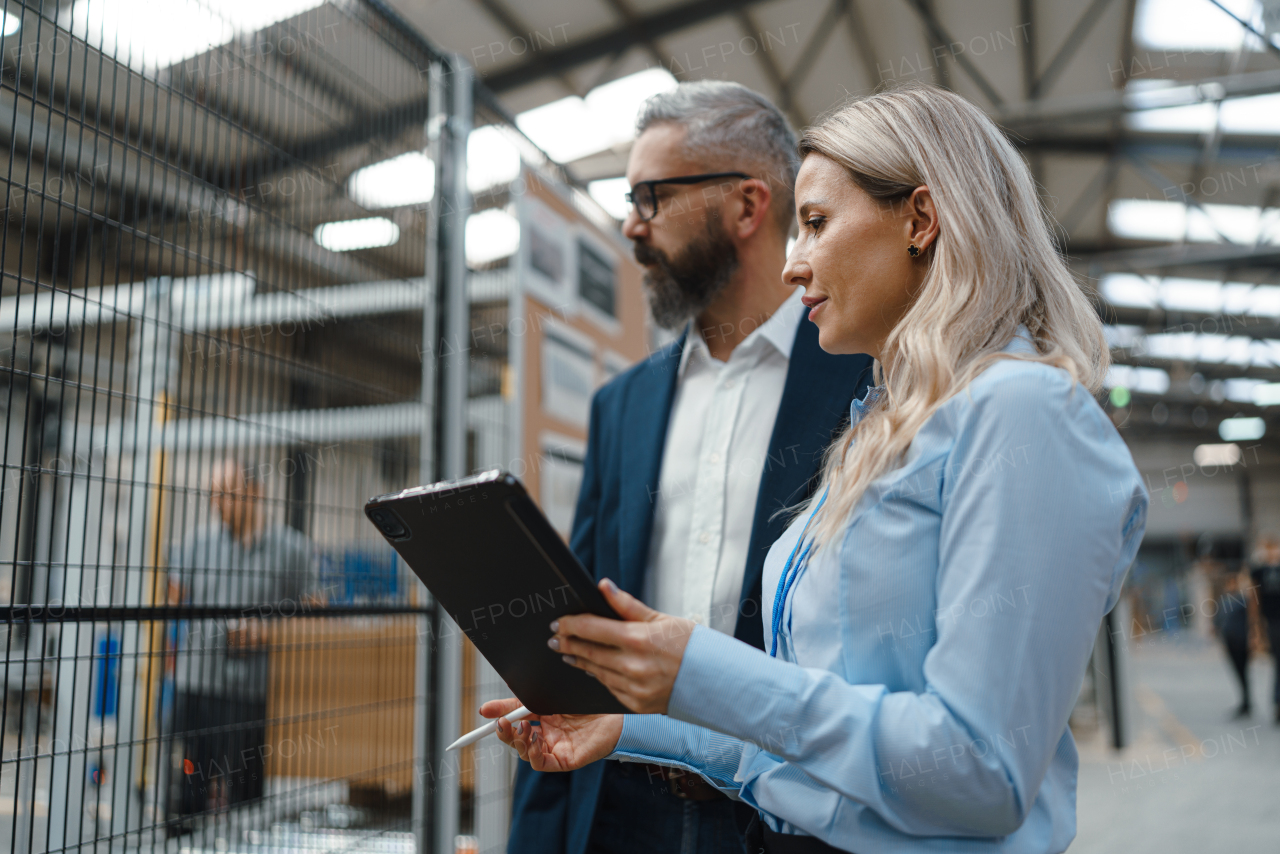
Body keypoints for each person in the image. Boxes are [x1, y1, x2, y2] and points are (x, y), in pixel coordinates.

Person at [485, 83, 1148, 854]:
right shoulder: (883, 425)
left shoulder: (1022, 414)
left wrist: (701, 669)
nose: (793, 264)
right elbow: (814, 742)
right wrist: (635, 725)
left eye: (817, 224)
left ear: (921, 220)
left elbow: (980, 769)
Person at [508, 82, 874, 854]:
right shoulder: (624, 404)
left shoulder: (863, 378)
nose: (631, 225)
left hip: (786, 815)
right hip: (621, 802)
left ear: (746, 206)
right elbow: (577, 637)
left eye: (650, 196)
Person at [166, 459, 317, 826]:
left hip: (252, 692)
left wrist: (271, 632)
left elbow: (316, 611)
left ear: (254, 492)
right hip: (197, 684)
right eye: (213, 493)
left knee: (246, 798)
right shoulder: (198, 543)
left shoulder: (291, 548)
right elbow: (173, 602)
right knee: (188, 791)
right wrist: (169, 663)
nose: (216, 501)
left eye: (225, 492)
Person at [1248, 533, 1280, 723]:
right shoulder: (1259, 571)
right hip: (1272, 622)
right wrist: (1256, 629)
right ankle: (1277, 702)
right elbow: (1254, 601)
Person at [1214, 569, 1252, 718]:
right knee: (1237, 672)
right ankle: (1244, 701)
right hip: (1229, 640)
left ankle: (1246, 702)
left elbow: (1251, 620)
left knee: (1244, 672)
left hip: (1242, 640)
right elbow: (1218, 622)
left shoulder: (1243, 600)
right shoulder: (1223, 601)